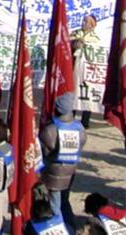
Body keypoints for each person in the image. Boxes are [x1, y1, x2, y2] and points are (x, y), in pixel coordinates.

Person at [40, 91, 86, 230]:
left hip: (53, 171)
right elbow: (81, 144)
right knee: (64, 200)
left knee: (55, 204)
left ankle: (59, 228)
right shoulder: (79, 128)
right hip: (71, 170)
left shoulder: (51, 129)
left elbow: (44, 151)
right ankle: (70, 225)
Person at [72, 15, 100, 128]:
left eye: (87, 22)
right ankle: (71, 117)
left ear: (92, 25)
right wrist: (75, 44)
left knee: (87, 94)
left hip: (88, 70)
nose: (84, 23)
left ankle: (85, 121)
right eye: (83, 20)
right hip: (74, 68)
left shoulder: (96, 38)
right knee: (74, 93)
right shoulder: (75, 34)